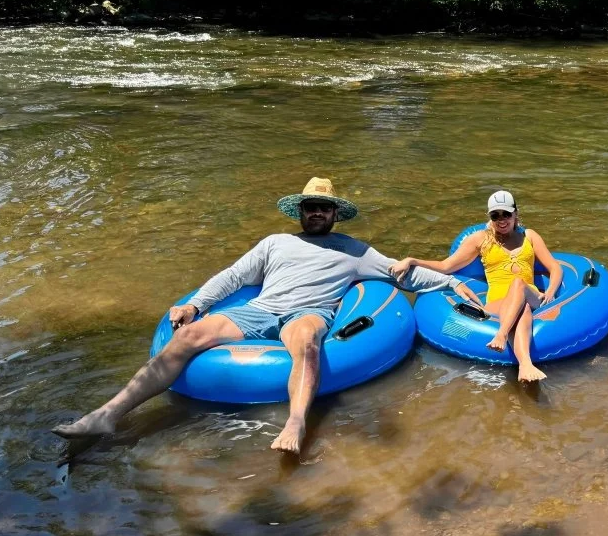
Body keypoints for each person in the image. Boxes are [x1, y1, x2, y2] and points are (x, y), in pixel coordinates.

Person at [53, 177, 479, 455]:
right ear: (301, 211)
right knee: (185, 338)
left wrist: (452, 283)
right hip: (259, 310)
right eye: (311, 206)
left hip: (307, 313)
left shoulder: (354, 251)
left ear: (334, 214)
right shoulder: (275, 243)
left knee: (308, 342)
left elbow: (401, 274)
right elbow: (235, 278)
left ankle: (296, 423)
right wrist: (194, 305)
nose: (317, 212)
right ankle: (108, 414)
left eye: (324, 208)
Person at [394, 190, 561, 384]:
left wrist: (550, 291)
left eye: (506, 214)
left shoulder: (529, 236)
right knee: (520, 309)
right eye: (495, 215)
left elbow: (554, 267)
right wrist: (411, 260)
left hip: (531, 294)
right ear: (489, 217)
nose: (502, 220)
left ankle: (502, 334)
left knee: (518, 284)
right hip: (498, 302)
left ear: (516, 213)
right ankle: (525, 365)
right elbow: (446, 266)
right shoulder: (480, 239)